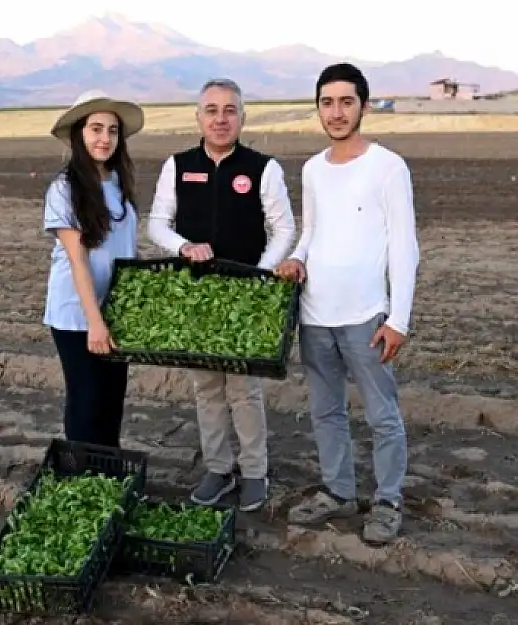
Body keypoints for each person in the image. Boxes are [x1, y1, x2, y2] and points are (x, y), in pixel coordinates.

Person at [274, 63, 420, 544]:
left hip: (365, 318)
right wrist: (295, 258)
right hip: (315, 317)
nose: (335, 112)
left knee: (382, 415)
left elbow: (404, 246)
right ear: (317, 107)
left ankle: (388, 500)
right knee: (327, 412)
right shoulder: (313, 169)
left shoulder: (388, 166)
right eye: (326, 102)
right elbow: (312, 229)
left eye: (345, 102)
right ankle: (339, 493)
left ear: (364, 105)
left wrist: (397, 319)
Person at [147, 78, 297, 512]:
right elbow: (158, 223)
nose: (220, 118)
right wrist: (182, 248)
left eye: (229, 110)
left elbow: (284, 228)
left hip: (245, 298)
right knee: (206, 388)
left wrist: (259, 275)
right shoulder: (177, 166)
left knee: (244, 390)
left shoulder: (262, 168)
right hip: (196, 298)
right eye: (211, 110)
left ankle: (254, 472)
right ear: (198, 118)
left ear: (242, 118)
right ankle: (218, 467)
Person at [42, 89, 145, 449]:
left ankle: (108, 478)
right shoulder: (65, 189)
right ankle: (81, 480)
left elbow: (125, 250)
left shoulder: (119, 184)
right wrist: (95, 323)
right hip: (77, 315)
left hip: (114, 310)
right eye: (96, 129)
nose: (105, 138)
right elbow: (77, 259)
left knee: (111, 402)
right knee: (87, 403)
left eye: (112, 131)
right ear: (79, 134)